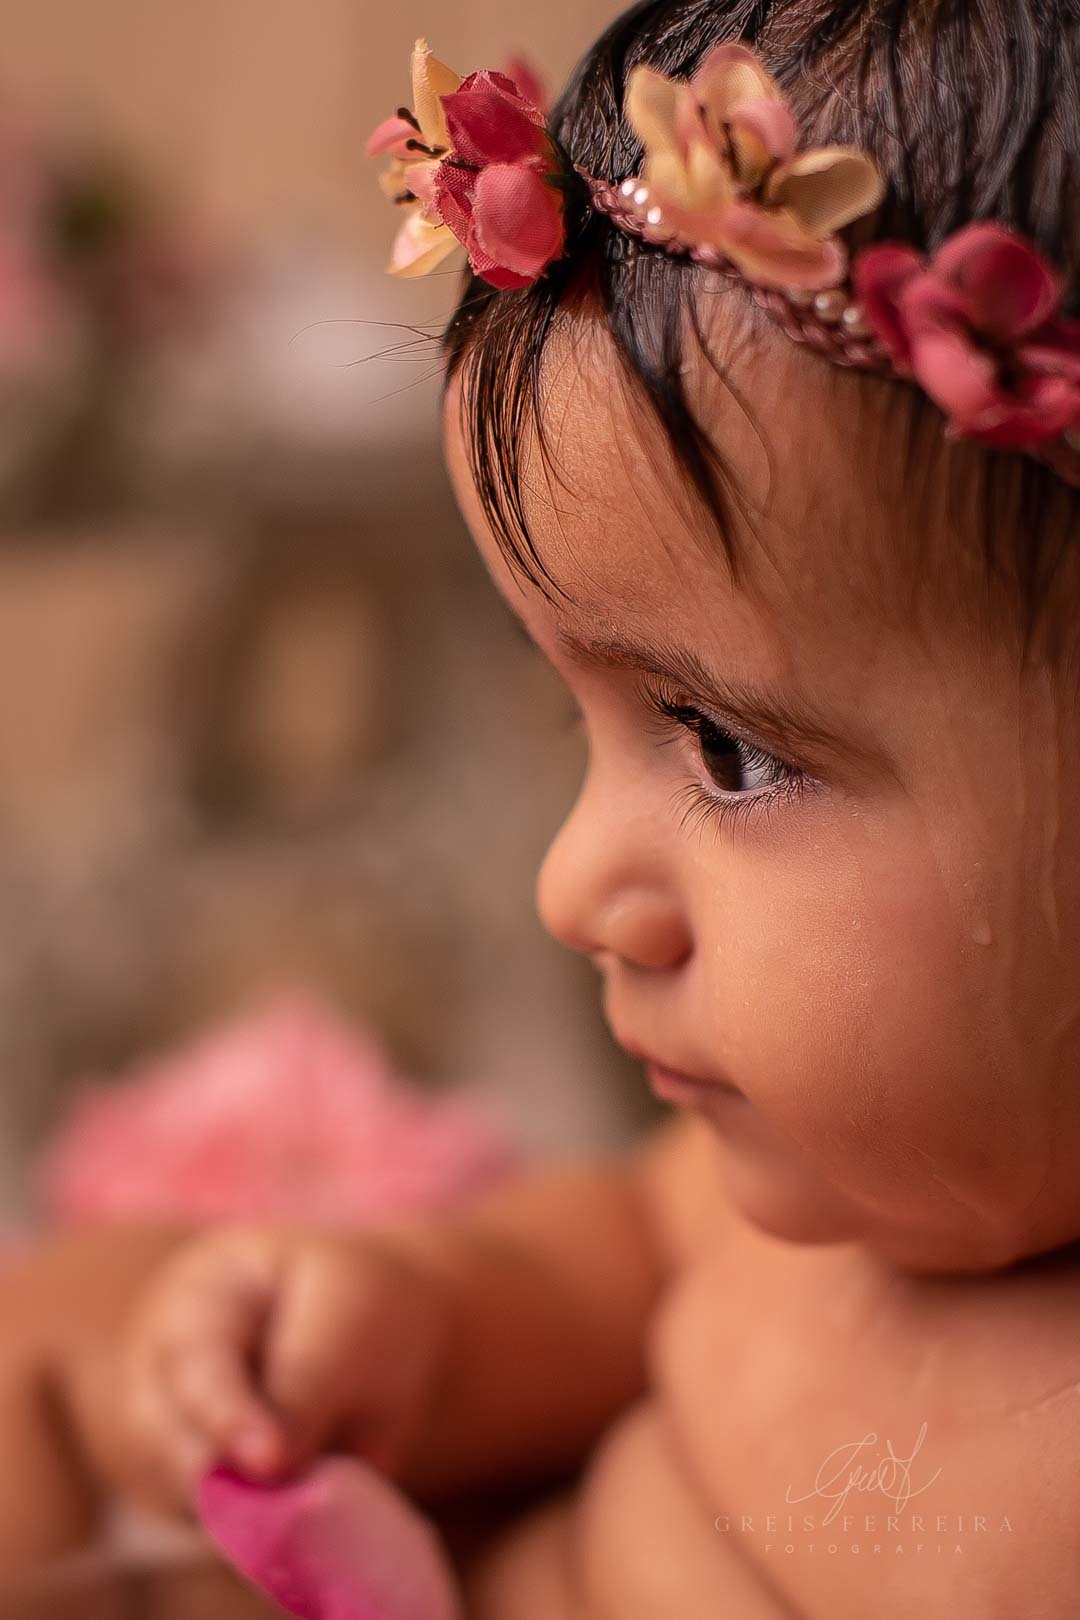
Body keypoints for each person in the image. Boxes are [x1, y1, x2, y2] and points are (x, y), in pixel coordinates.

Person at [4, 2, 1080, 1614]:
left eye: (728, 751)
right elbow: (591, 1268)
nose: (571, 883)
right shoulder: (795, 1204)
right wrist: (411, 1321)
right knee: (67, 1336)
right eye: (567, 708)